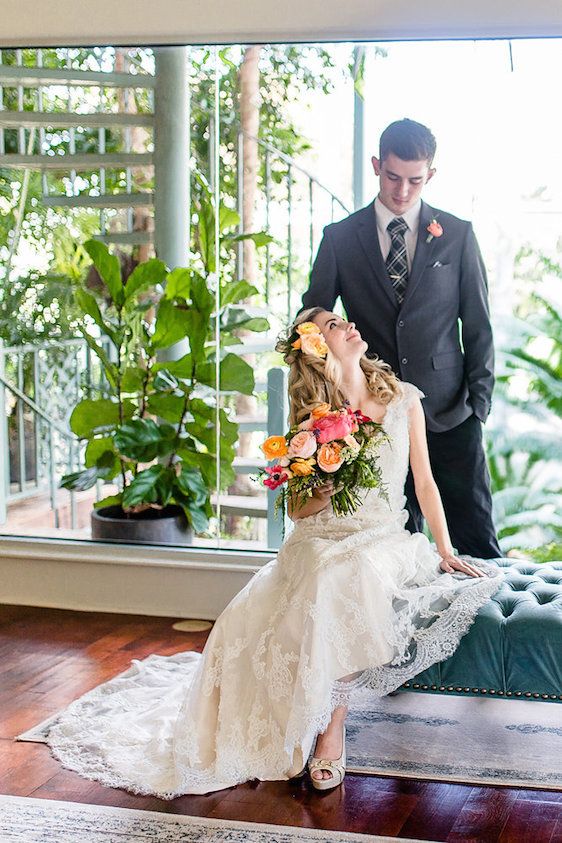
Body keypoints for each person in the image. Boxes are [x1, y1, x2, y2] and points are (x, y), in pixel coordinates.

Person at [44, 309, 504, 797]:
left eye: (343, 319)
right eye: (331, 325)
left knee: (339, 581)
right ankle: (297, 722)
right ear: (316, 348)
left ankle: (331, 730)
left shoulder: (402, 398)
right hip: (318, 539)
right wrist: (324, 488)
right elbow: (300, 511)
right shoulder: (311, 421)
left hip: (382, 539)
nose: (347, 324)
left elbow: (426, 483)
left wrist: (445, 549)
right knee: (261, 609)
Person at [301, 118, 502, 559]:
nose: (403, 190)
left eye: (415, 180)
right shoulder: (339, 238)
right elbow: (310, 316)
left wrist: (478, 407)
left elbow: (479, 324)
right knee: (392, 548)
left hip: (452, 415)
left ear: (430, 174)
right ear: (377, 166)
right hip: (375, 421)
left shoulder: (458, 234)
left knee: (478, 543)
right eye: (393, 177)